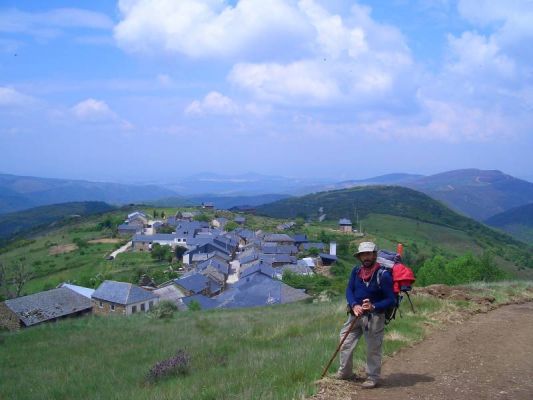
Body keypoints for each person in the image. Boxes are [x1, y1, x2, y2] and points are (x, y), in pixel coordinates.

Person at [336, 241, 396, 389]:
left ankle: (372, 377)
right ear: (360, 257)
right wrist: (354, 304)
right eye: (363, 254)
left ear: (374, 255)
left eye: (369, 254)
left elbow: (391, 299)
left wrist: (374, 306)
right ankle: (345, 373)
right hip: (354, 314)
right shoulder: (356, 271)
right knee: (344, 342)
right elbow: (349, 290)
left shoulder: (383, 275)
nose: (366, 257)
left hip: (374, 317)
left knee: (373, 348)